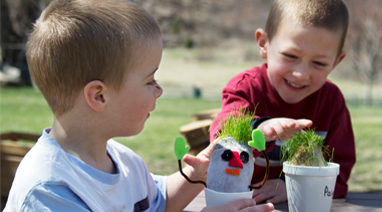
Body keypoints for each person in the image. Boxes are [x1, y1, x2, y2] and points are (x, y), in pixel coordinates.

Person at [3, 0, 274, 211]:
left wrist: (196, 173)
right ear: (99, 96)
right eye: (150, 80)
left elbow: (160, 202)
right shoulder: (50, 189)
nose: (159, 90)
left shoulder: (123, 160)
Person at [209, 0, 355, 204]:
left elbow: (338, 174)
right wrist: (260, 127)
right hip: (241, 203)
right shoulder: (245, 88)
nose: (301, 74)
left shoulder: (331, 101)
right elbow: (221, 136)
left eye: (319, 63)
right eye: (290, 56)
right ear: (263, 44)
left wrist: (294, 187)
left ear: (336, 62)